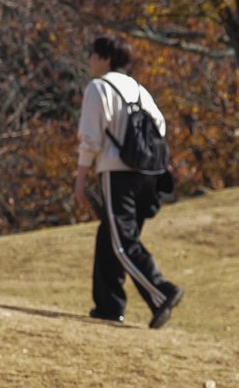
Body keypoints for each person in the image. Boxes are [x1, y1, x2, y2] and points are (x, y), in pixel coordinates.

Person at [74, 36, 183, 329]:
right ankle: (108, 305)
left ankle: (162, 292)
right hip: (148, 173)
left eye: (92, 54)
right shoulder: (137, 88)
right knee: (109, 236)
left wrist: (81, 178)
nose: (89, 60)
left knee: (122, 242)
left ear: (105, 58)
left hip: (117, 172)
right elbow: (160, 125)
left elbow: (90, 139)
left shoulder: (98, 88)